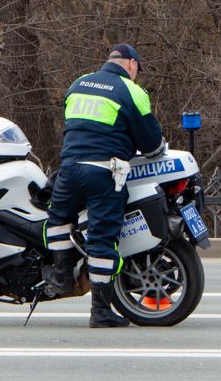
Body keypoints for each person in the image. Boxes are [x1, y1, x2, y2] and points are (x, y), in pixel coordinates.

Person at [42, 44, 166, 328]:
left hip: (70, 170)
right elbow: (150, 142)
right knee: (102, 241)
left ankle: (61, 275)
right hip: (104, 173)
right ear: (132, 64)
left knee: (59, 219)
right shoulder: (131, 91)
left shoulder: (78, 84)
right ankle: (100, 311)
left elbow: (78, 126)